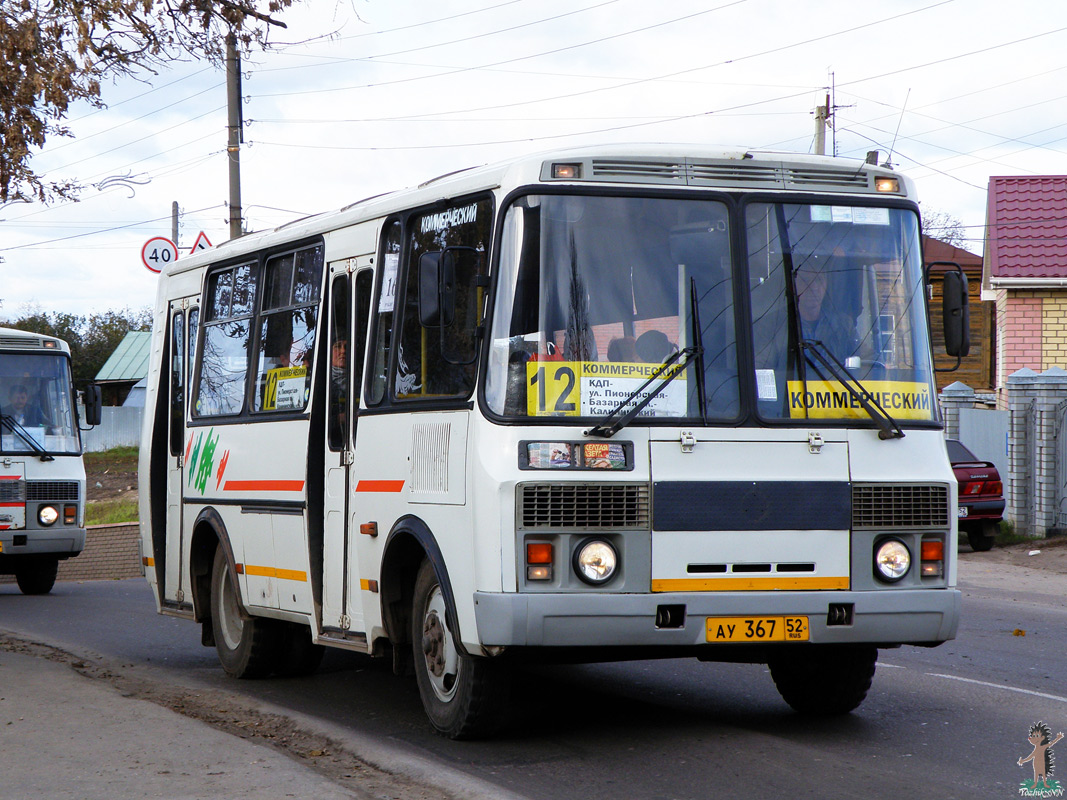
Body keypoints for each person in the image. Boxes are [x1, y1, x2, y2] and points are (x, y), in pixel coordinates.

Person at [793, 259, 860, 361]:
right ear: (794, 284)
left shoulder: (844, 325)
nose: (814, 287)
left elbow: (867, 359)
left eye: (819, 280)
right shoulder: (776, 326)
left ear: (826, 284)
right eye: (806, 281)